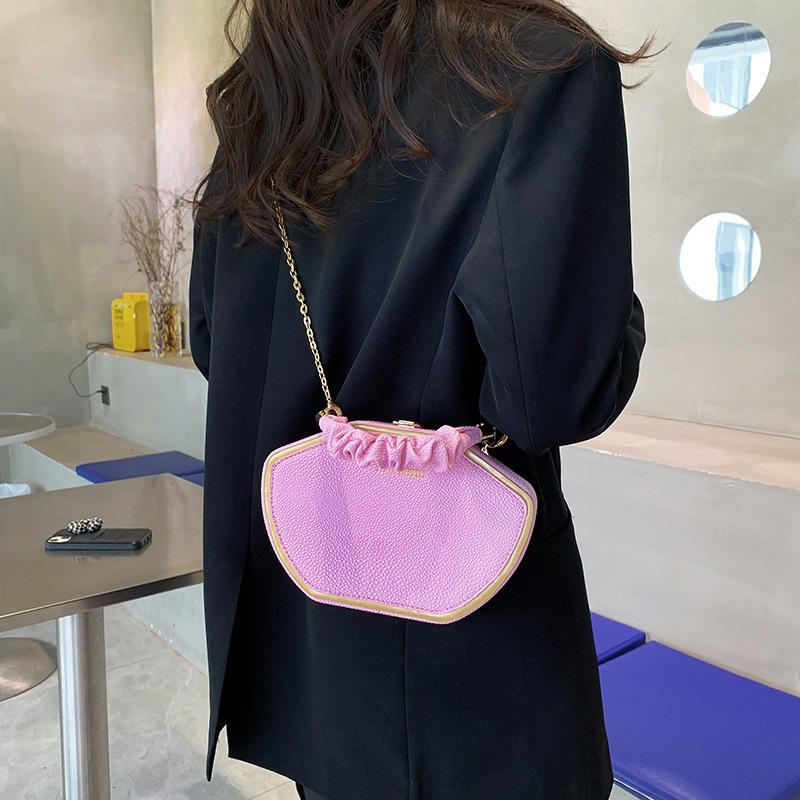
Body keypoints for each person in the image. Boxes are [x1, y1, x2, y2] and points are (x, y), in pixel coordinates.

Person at [188, 2, 663, 798]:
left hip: (308, 625)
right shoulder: (535, 66)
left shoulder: (260, 103)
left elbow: (215, 344)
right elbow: (553, 395)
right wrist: (620, 312)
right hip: (474, 660)